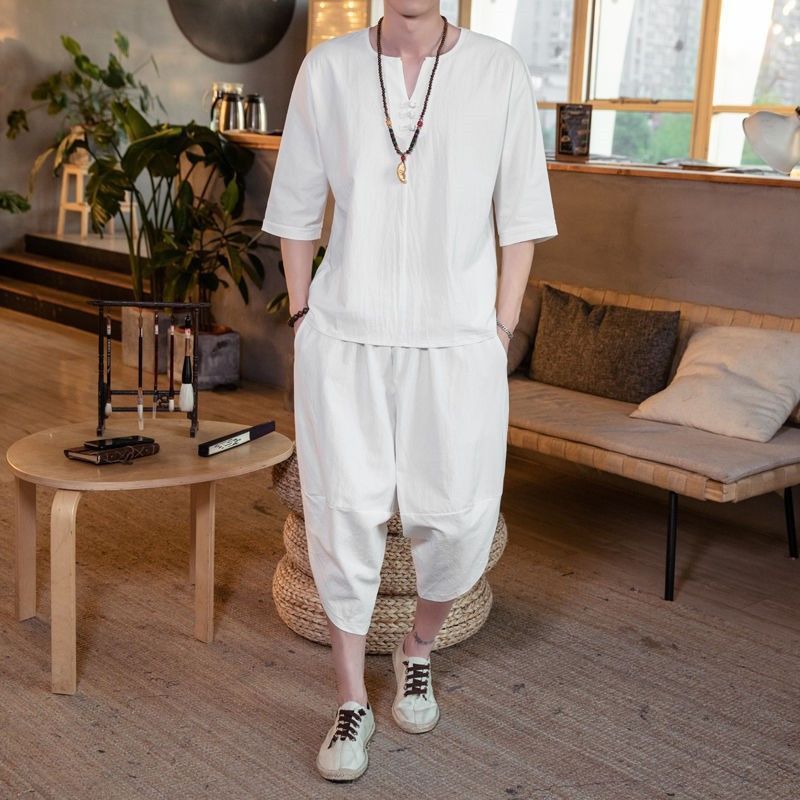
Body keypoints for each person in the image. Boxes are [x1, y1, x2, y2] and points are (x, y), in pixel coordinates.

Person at [261, 0, 557, 782]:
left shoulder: (497, 71)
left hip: (458, 345)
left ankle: (415, 648)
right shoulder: (328, 69)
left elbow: (521, 217)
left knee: (459, 518)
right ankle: (351, 700)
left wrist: (499, 330)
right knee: (341, 517)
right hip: (345, 342)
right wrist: (303, 316)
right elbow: (296, 206)